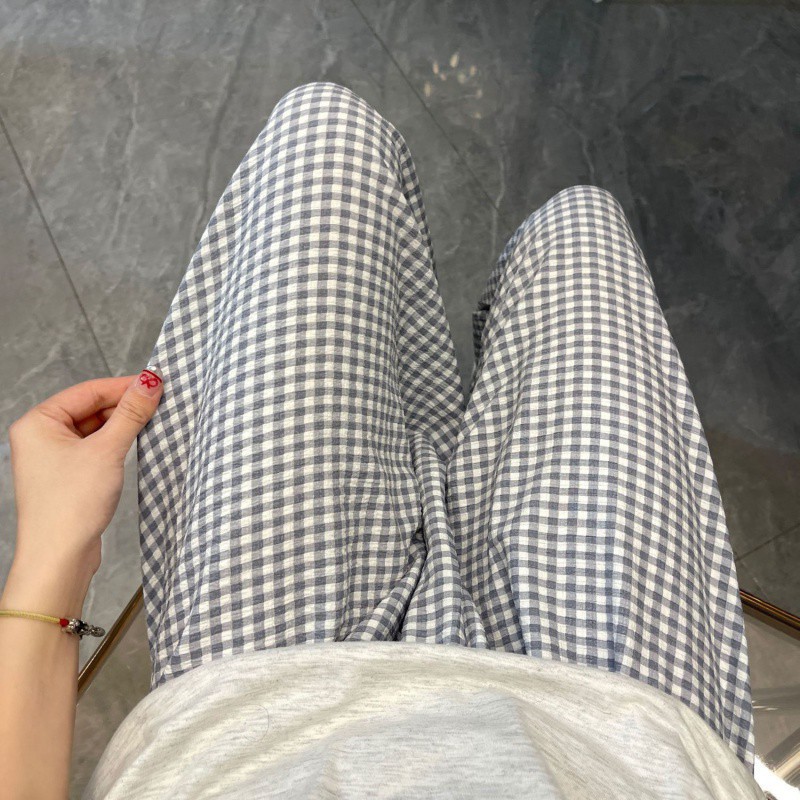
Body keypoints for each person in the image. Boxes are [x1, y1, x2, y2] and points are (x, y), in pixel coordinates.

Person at [0, 83, 763, 799]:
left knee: (325, 135)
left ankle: (448, 473)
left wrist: (54, 557)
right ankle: (455, 474)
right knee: (581, 236)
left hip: (257, 707)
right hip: (622, 735)